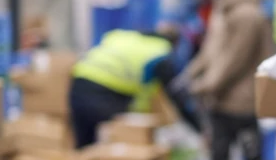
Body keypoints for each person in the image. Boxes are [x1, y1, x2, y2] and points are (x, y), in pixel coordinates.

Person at [181, 0, 274, 160]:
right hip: (221, 106)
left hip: (241, 107)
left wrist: (204, 87)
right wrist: (190, 74)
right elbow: (212, 51)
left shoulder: (247, 15)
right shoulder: (223, 10)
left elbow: (233, 61)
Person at [69, 30, 202, 148]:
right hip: (105, 92)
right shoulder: (160, 53)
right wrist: (199, 128)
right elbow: (177, 96)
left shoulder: (126, 37)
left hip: (78, 82)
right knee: (125, 146)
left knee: (85, 146)